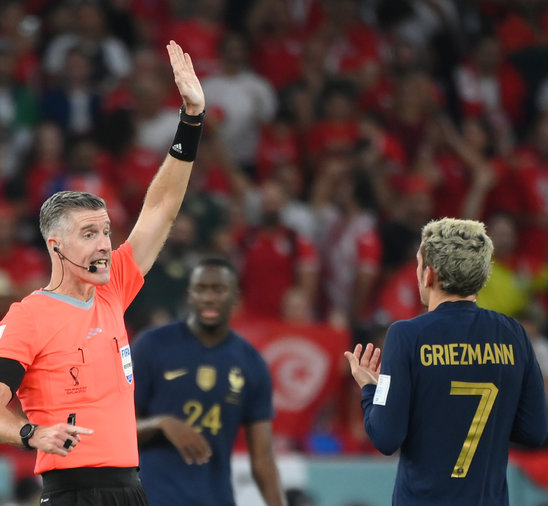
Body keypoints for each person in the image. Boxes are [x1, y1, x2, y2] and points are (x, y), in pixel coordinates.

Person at [0, 40, 206, 505]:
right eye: (89, 234)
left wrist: (190, 120)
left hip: (130, 489)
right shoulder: (29, 317)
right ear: (56, 246)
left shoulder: (112, 287)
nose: (104, 244)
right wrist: (32, 433)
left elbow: (160, 209)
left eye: (107, 232)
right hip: (73, 491)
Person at [344, 217, 548, 506]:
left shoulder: (406, 335)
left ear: (429, 274)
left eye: (418, 264)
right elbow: (534, 431)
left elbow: (385, 438)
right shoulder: (514, 333)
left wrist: (370, 390)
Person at [131, 256, 288, 506]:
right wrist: (161, 423)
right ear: (189, 295)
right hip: (154, 498)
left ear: (235, 298)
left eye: (218, 289)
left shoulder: (251, 363)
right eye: (201, 289)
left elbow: (263, 459)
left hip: (216, 498)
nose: (208, 297)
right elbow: (118, 430)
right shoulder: (151, 345)